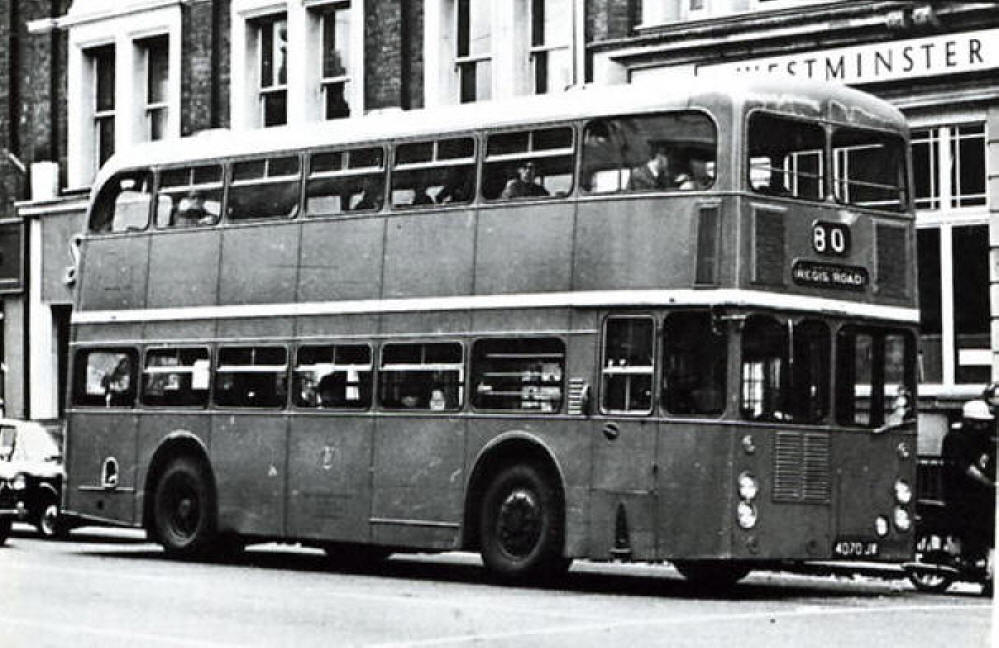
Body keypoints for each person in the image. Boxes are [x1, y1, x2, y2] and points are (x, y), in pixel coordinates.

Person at [942, 399, 996, 593]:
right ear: (968, 421)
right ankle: (966, 560)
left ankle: (982, 565)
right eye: (978, 423)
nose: (982, 427)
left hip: (982, 493)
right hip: (960, 492)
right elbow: (964, 467)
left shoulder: (986, 441)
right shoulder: (955, 439)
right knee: (971, 523)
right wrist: (987, 481)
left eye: (984, 423)